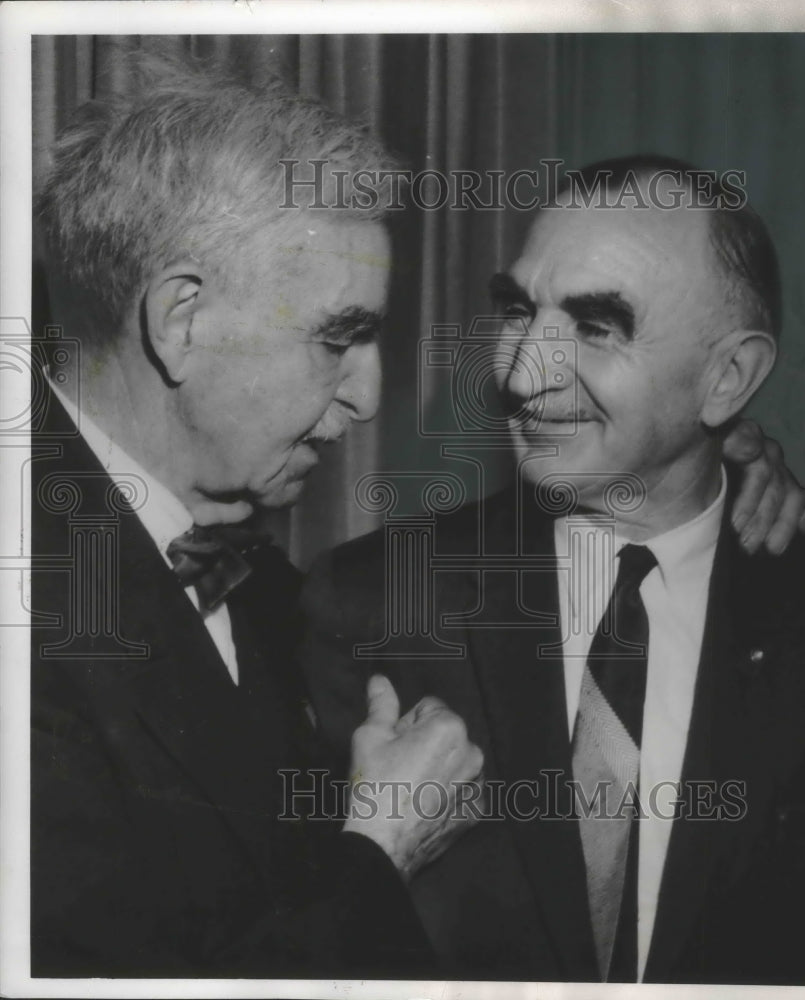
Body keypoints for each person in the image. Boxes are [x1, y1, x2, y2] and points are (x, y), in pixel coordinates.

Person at [301, 156, 805, 984]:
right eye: (517, 312)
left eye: (595, 326)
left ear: (727, 377)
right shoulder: (367, 602)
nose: (519, 374)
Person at [30, 53, 486, 978]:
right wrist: (380, 852)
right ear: (180, 322)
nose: (366, 398)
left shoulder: (262, 579)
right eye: (338, 337)